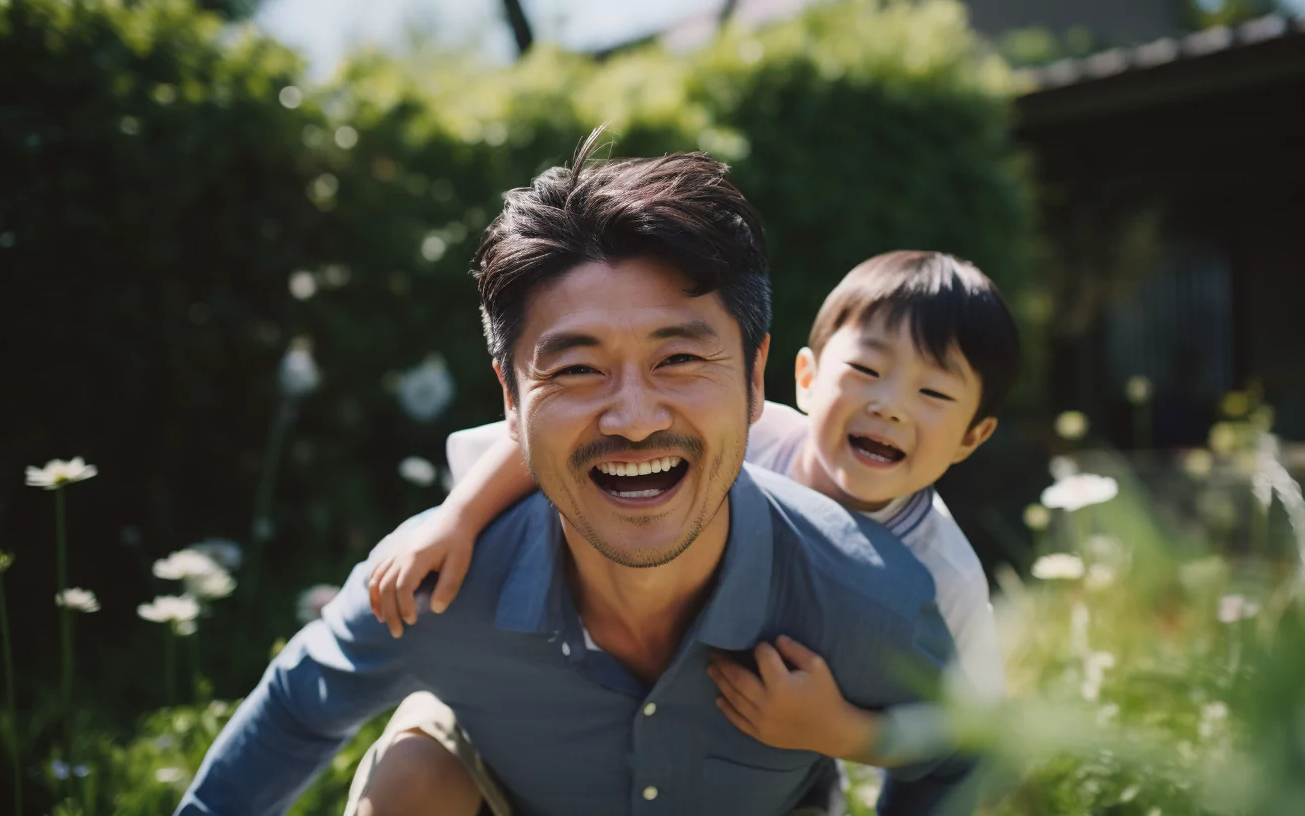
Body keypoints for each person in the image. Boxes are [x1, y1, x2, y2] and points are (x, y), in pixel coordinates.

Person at [177, 131, 973, 816]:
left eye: (680, 358)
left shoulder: (871, 602)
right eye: (578, 370)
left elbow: (956, 760)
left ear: (755, 377)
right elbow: (294, 711)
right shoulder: (432, 582)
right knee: (411, 777)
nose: (633, 419)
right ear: (511, 402)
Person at [369, 250, 1020, 774]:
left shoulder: (941, 571)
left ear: (973, 436)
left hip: (762, 769)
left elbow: (968, 724)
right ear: (807, 378)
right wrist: (458, 516)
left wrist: (838, 730)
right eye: (867, 370)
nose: (890, 406)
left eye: (933, 391)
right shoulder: (746, 436)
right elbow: (544, 442)